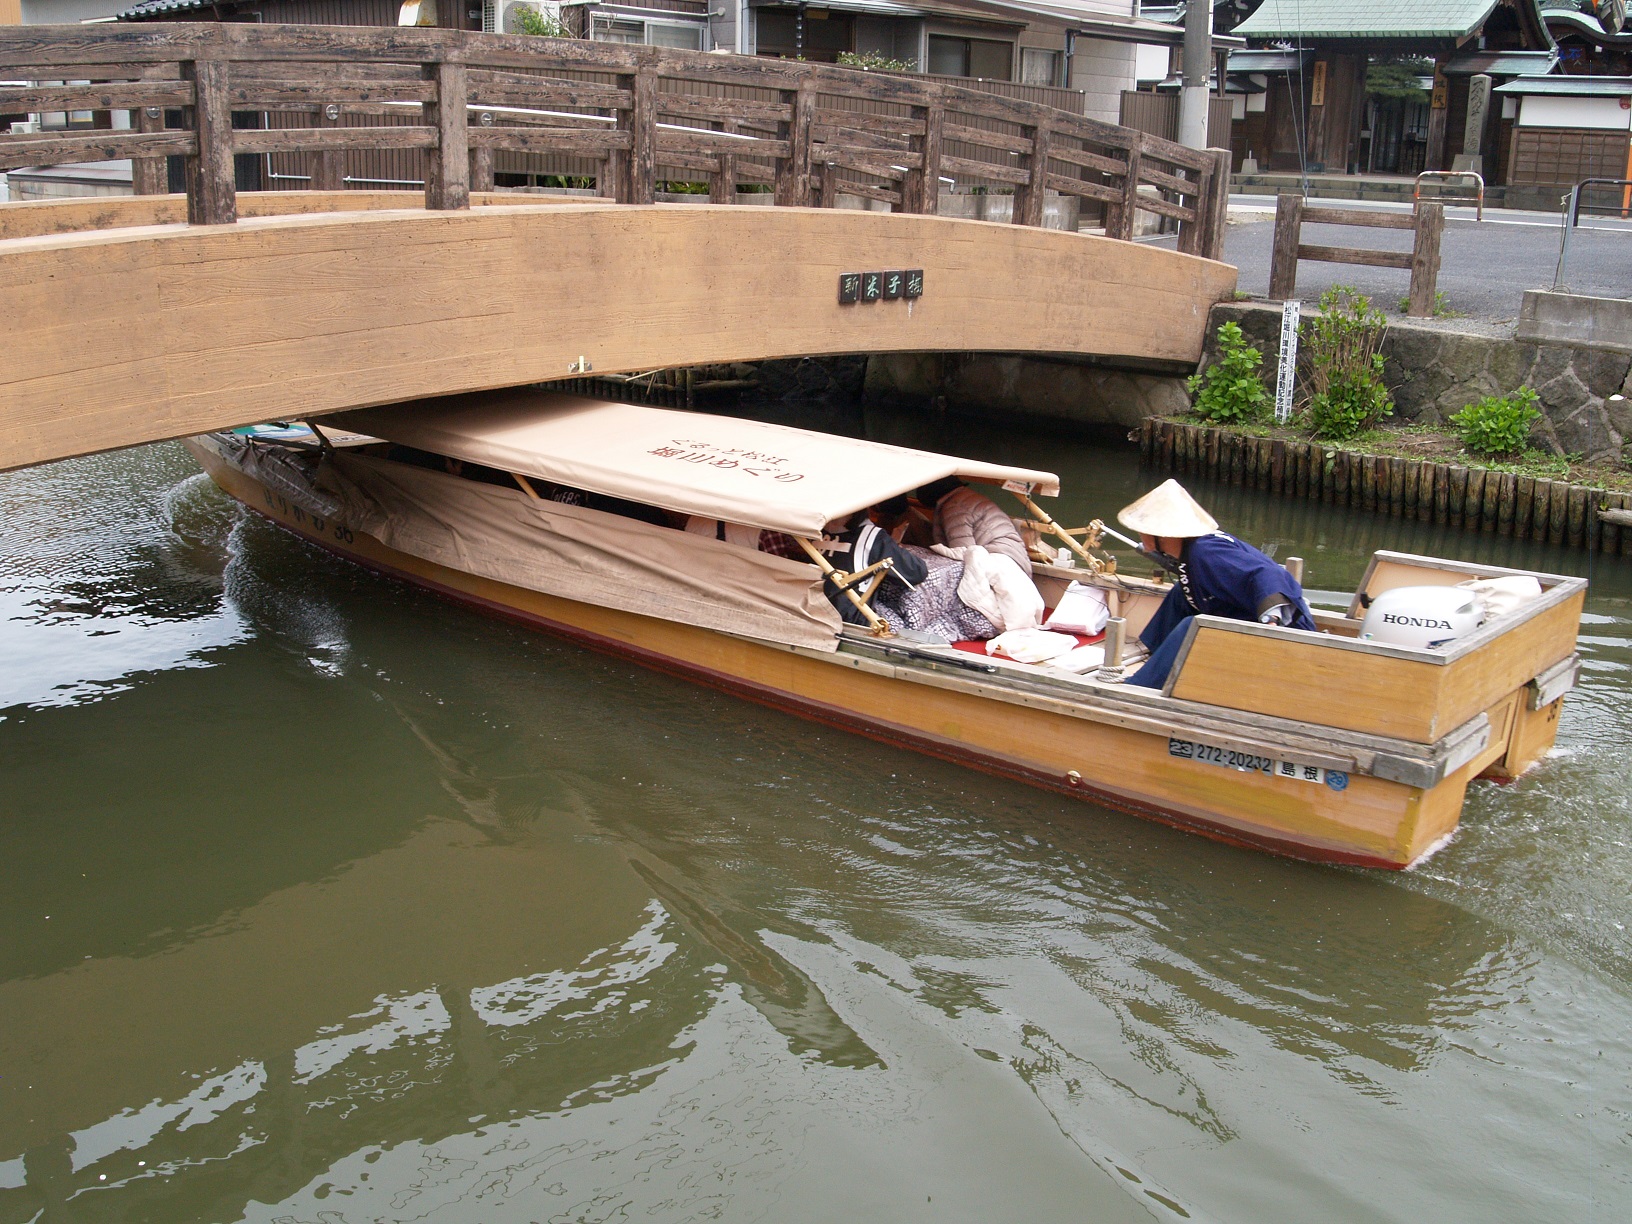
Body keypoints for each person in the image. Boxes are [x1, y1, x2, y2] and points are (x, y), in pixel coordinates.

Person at [1120, 479, 1315, 690]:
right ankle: (1157, 660)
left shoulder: (1206, 552)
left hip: (1286, 641)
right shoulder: (1191, 554)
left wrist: (1270, 620)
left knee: (1192, 626)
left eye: (1143, 529)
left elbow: (1268, 573)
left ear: (1162, 535)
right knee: (1182, 593)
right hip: (1239, 618)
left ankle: (1140, 687)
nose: (1139, 534)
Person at [818, 510, 928, 626]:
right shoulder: (871, 537)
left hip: (807, 612)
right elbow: (915, 571)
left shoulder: (810, 531)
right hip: (847, 623)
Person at [916, 477, 1033, 575]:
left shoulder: (954, 507)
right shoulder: (967, 496)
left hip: (1000, 563)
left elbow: (963, 553)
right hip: (1016, 557)